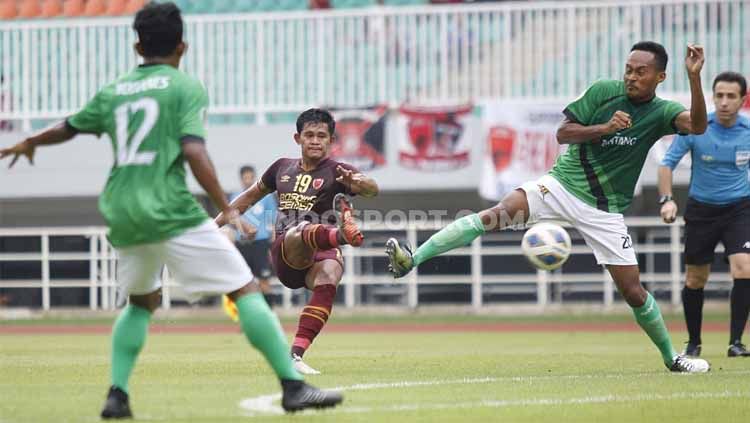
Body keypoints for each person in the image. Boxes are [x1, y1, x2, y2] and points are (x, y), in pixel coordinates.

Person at [0, 2, 341, 419]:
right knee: (244, 289)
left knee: (141, 300)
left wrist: (31, 141)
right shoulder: (184, 87)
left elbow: (70, 125)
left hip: (122, 210)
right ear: (182, 47)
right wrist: (226, 209)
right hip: (169, 208)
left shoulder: (115, 89)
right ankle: (292, 387)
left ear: (136, 45)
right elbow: (194, 151)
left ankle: (117, 395)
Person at [386, 41, 711, 373]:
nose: (631, 77)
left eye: (641, 72)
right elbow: (563, 133)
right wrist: (605, 128)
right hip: (560, 185)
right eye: (628, 69)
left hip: (604, 210)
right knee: (492, 215)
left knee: (633, 292)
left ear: (659, 76)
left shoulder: (662, 112)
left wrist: (694, 78)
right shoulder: (603, 92)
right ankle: (412, 260)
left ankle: (672, 358)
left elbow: (698, 126)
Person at [217, 108, 379, 375]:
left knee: (331, 273)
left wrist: (362, 182)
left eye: (322, 136)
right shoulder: (281, 168)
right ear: (298, 138)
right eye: (310, 135)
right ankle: (341, 234)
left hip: (320, 251)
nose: (315, 140)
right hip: (287, 251)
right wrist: (212, 227)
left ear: (331, 141)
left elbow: (373, 189)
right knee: (302, 227)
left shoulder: (339, 171)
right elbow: (245, 200)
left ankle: (296, 355)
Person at [658, 71, 750, 358]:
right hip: (701, 211)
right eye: (719, 95)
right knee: (696, 278)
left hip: (740, 209)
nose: (724, 102)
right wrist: (667, 200)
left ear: (742, 100)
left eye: (731, 96)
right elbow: (666, 164)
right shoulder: (697, 128)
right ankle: (694, 343)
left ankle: (736, 343)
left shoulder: (748, 129)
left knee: (745, 268)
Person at [221, 165, 277, 308]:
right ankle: (246, 318)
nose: (248, 181)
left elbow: (272, 216)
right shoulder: (236, 197)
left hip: (260, 243)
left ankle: (270, 316)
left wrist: (273, 236)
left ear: (254, 177)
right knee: (243, 282)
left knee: (264, 281)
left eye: (250, 177)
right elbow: (231, 218)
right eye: (245, 178)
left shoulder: (266, 196)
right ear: (241, 179)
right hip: (242, 243)